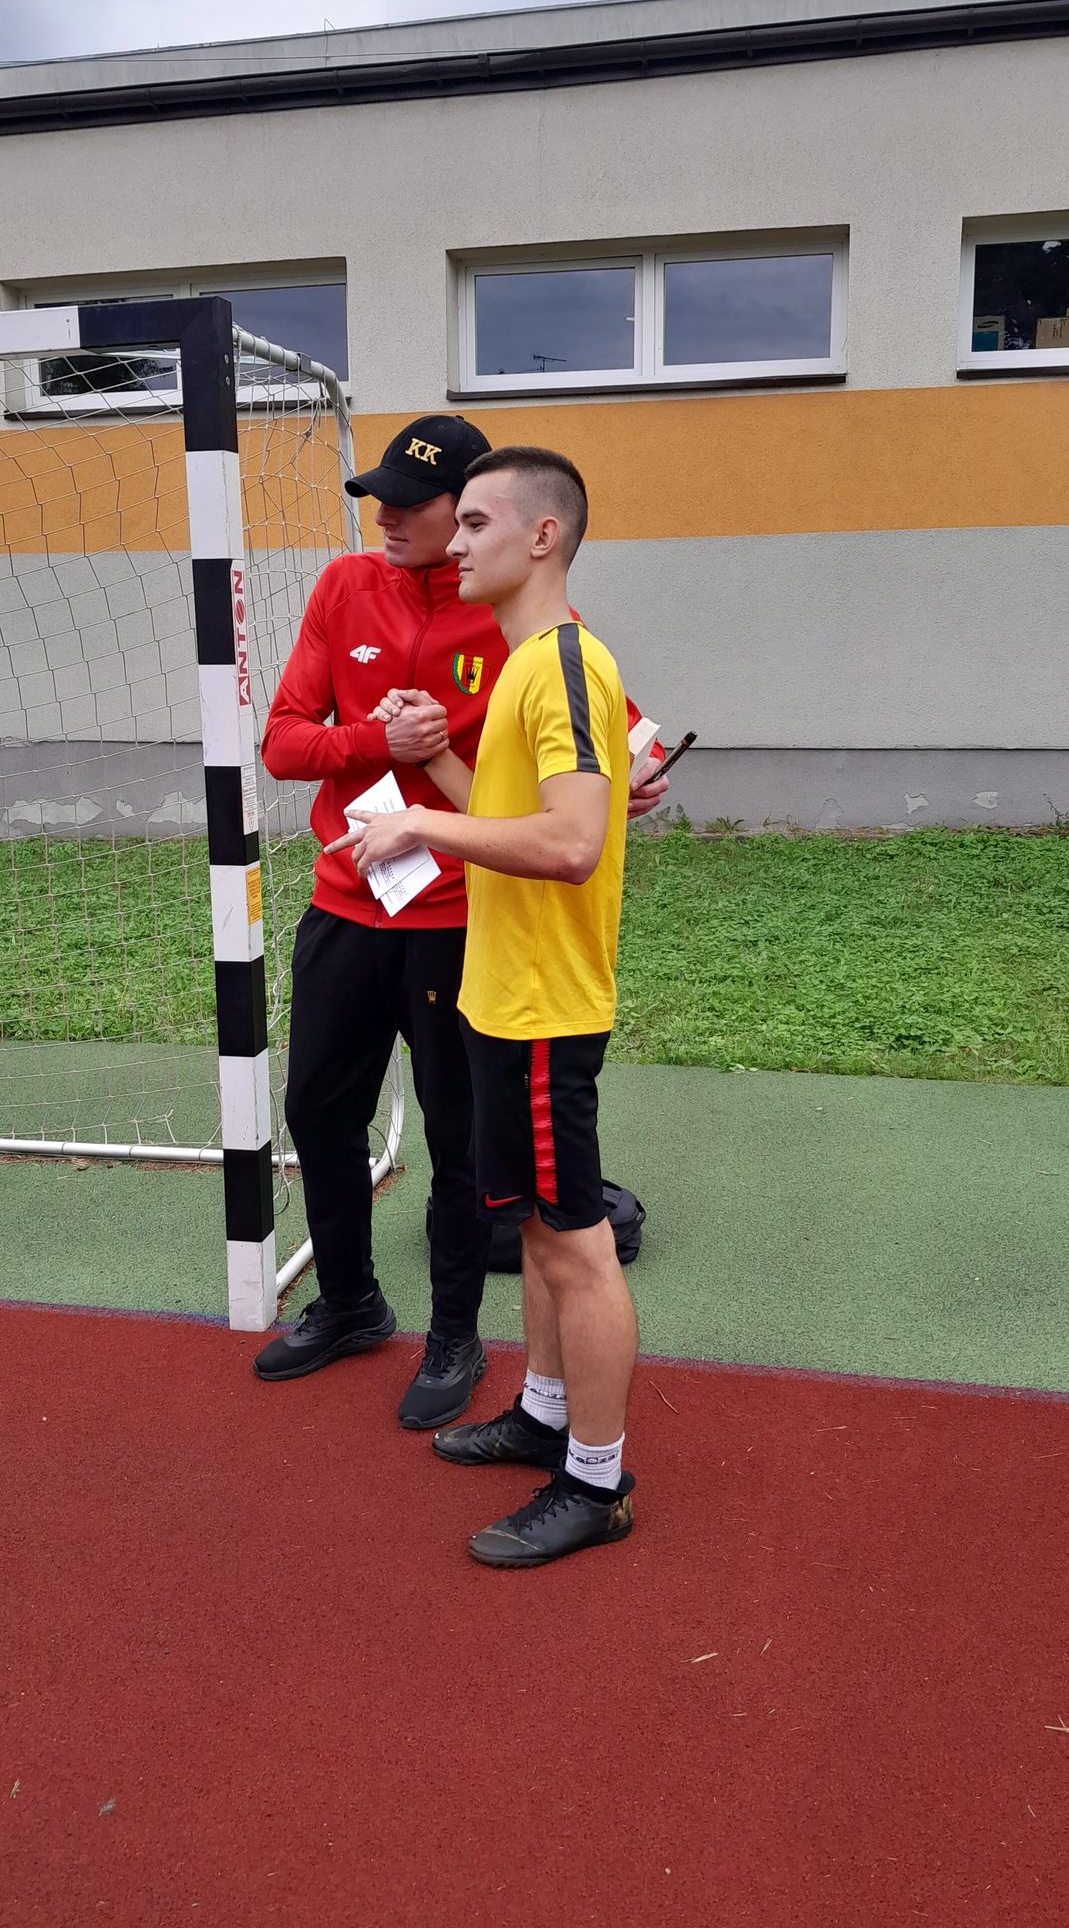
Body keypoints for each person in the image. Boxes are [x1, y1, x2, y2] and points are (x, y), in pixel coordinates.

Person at [253, 417, 664, 1431]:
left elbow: (612, 748)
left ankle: (454, 1333)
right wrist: (376, 740)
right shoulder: (345, 587)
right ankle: (350, 1302)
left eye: (418, 504)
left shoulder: (515, 613)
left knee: (459, 1141)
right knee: (318, 1112)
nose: (385, 517)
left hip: (459, 920)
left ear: (479, 515)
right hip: (346, 903)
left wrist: (632, 775)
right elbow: (283, 743)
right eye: (378, 498)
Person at [336, 446, 639, 1568]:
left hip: (547, 1004)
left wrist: (419, 823)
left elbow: (571, 842)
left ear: (542, 536)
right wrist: (436, 764)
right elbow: (509, 817)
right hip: (503, 999)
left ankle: (596, 1482)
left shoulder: (565, 664)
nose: (452, 543)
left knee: (577, 1246)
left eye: (474, 523)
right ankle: (545, 1414)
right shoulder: (520, 667)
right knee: (540, 1235)